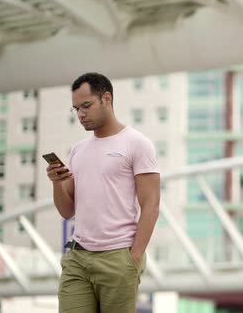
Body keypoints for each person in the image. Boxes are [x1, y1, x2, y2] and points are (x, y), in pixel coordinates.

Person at [45, 72, 160, 312]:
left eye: (86, 106)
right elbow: (67, 211)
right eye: (76, 109)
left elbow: (151, 204)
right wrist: (56, 183)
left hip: (118, 258)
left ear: (106, 99)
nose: (80, 114)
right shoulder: (78, 150)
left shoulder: (137, 144)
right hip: (78, 257)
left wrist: (134, 257)